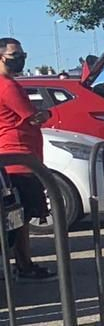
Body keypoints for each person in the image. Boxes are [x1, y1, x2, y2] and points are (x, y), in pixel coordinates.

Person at [0, 38, 56, 281]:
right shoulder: (7, 86)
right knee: (21, 217)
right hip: (18, 157)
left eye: (22, 53)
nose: (21, 58)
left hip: (14, 156)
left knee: (17, 215)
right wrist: (47, 113)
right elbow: (32, 117)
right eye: (15, 54)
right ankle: (24, 264)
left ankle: (21, 263)